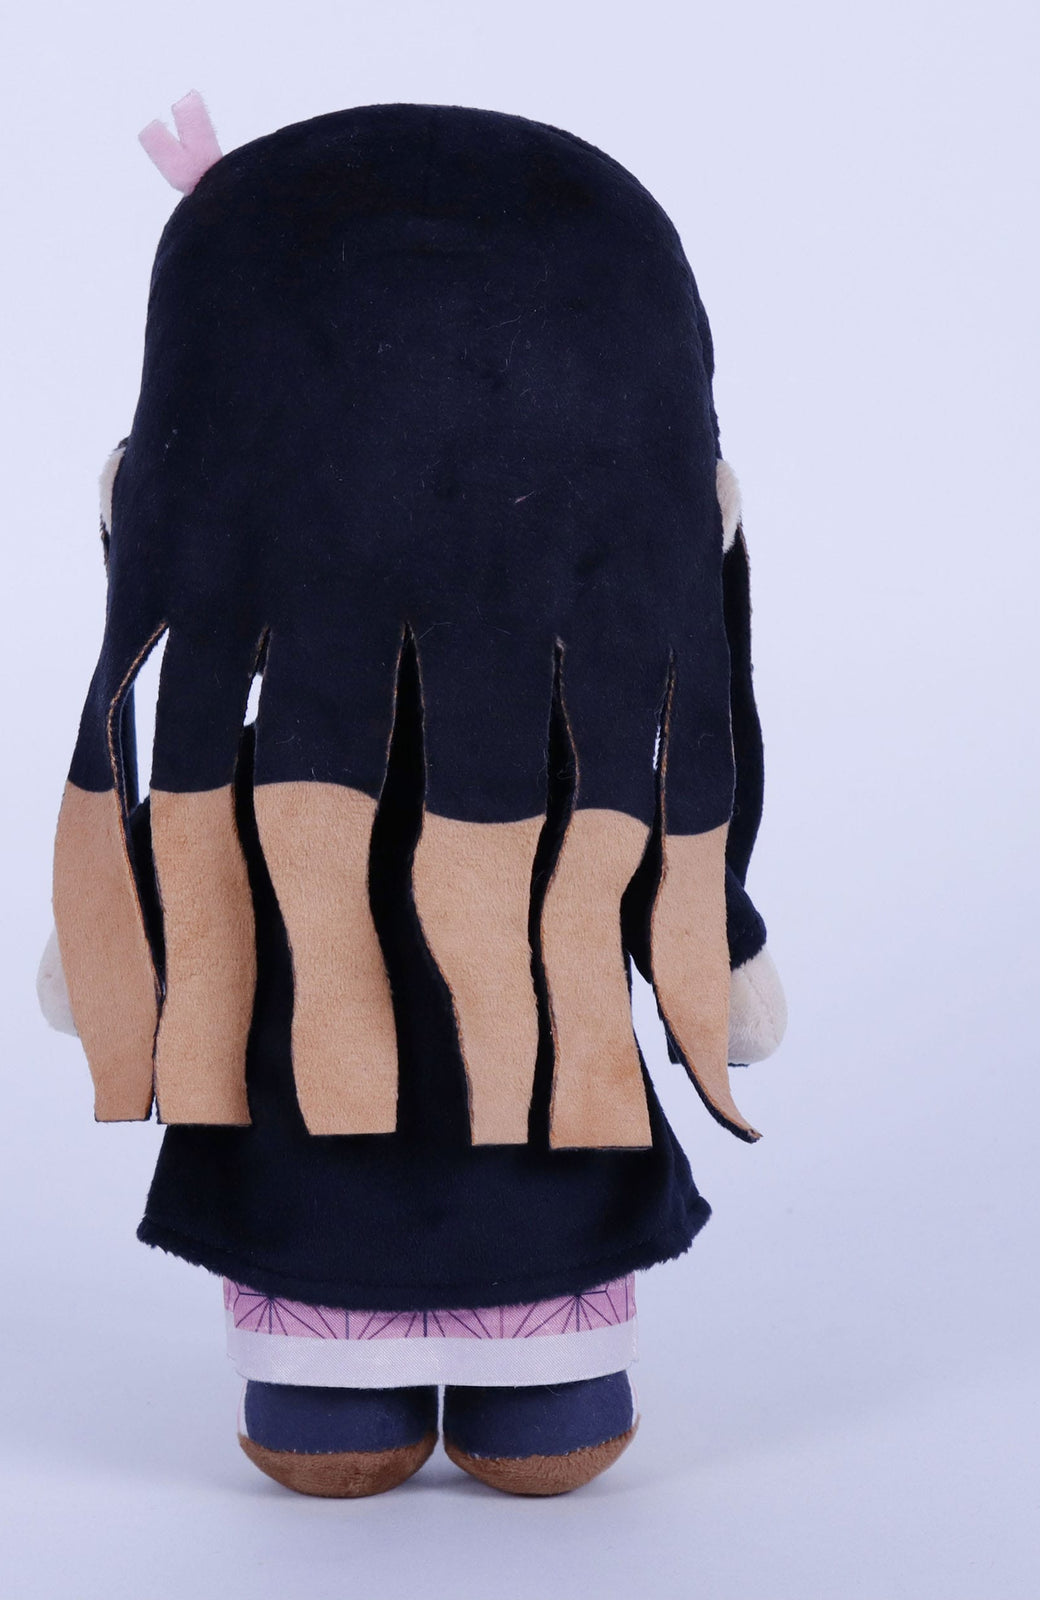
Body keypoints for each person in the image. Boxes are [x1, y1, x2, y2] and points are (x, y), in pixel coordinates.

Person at [39, 95, 787, 1498]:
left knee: (355, 1410)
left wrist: (95, 956)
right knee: (523, 1406)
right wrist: (726, 952)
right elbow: (681, 909)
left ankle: (381, 1391)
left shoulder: (236, 797)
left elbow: (132, 920)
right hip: (537, 1179)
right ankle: (508, 1389)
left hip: (323, 1191)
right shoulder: (579, 800)